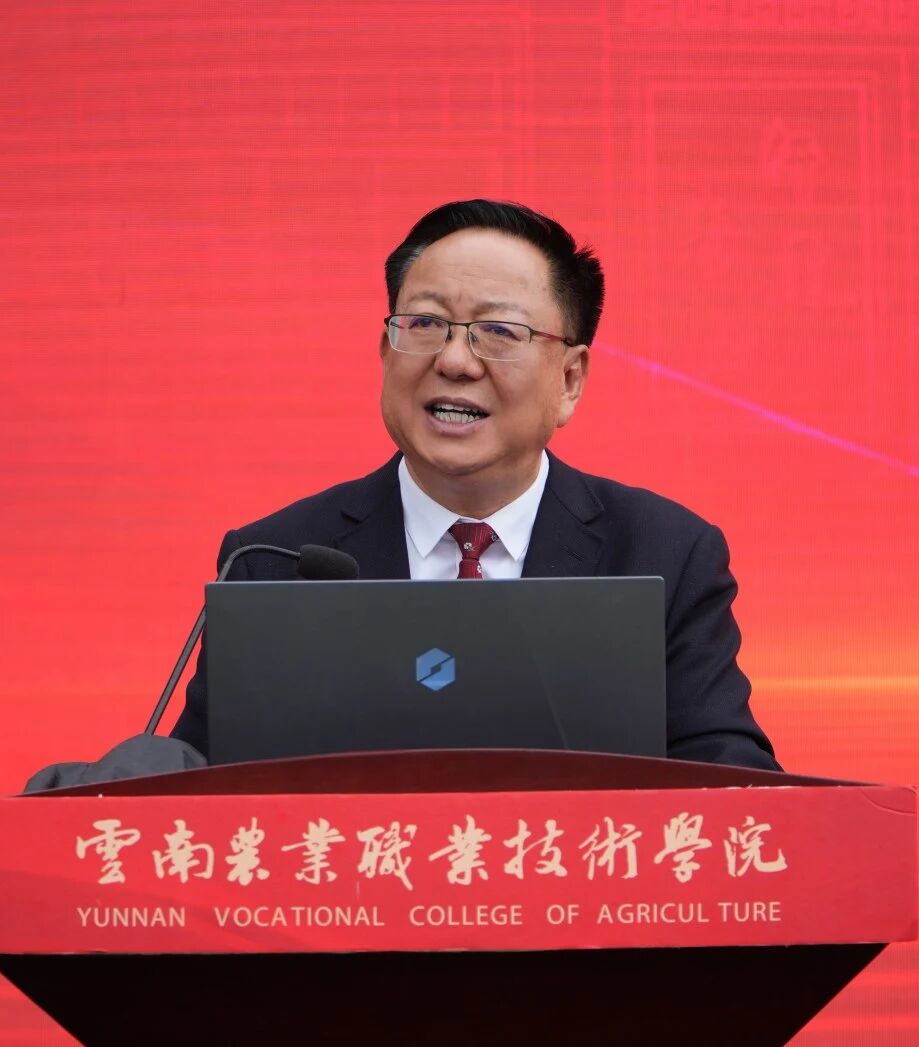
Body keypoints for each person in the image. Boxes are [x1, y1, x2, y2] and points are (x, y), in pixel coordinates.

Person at [170, 200, 779, 771]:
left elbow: (733, 784)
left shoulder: (665, 554)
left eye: (499, 332)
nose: (455, 361)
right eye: (425, 323)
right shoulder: (273, 562)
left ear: (570, 379)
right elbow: (187, 792)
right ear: (386, 351)